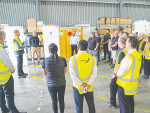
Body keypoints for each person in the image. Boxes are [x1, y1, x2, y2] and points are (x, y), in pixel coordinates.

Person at [0, 31, 27, 113]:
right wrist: (12, 69)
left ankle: (3, 109)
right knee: (9, 95)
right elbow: (7, 61)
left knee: (1, 94)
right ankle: (13, 110)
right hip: (5, 77)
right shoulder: (1, 50)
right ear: (2, 38)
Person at [69, 40, 97, 113]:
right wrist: (88, 84)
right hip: (89, 87)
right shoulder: (92, 58)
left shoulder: (73, 59)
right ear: (87, 47)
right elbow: (94, 73)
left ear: (78, 47)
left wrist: (81, 84)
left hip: (78, 87)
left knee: (79, 107)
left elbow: (73, 75)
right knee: (91, 105)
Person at [116, 36, 141, 113]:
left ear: (130, 44)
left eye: (126, 42)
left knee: (124, 107)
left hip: (124, 86)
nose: (125, 43)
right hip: (132, 85)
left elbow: (120, 72)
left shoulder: (129, 57)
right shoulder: (137, 55)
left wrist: (116, 74)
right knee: (130, 104)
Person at [42, 43, 67, 113]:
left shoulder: (45, 61)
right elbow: (64, 71)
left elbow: (45, 73)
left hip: (51, 85)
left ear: (49, 51)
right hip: (61, 84)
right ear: (57, 50)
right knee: (61, 100)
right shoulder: (63, 59)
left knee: (54, 101)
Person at [106, 36, 128, 109]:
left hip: (118, 73)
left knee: (112, 87)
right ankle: (119, 100)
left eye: (118, 41)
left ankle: (112, 103)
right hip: (123, 74)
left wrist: (115, 74)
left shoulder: (122, 52)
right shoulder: (126, 51)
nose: (117, 43)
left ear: (121, 42)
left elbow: (119, 64)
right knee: (119, 87)